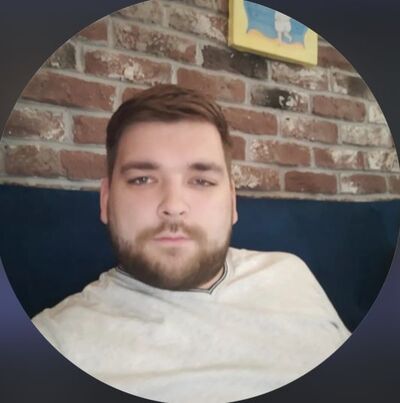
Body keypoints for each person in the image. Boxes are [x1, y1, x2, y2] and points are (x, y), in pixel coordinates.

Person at [32, 84, 350, 403]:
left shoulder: (290, 272)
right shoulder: (55, 343)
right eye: (142, 179)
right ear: (106, 200)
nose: (173, 205)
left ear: (232, 201)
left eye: (201, 181)